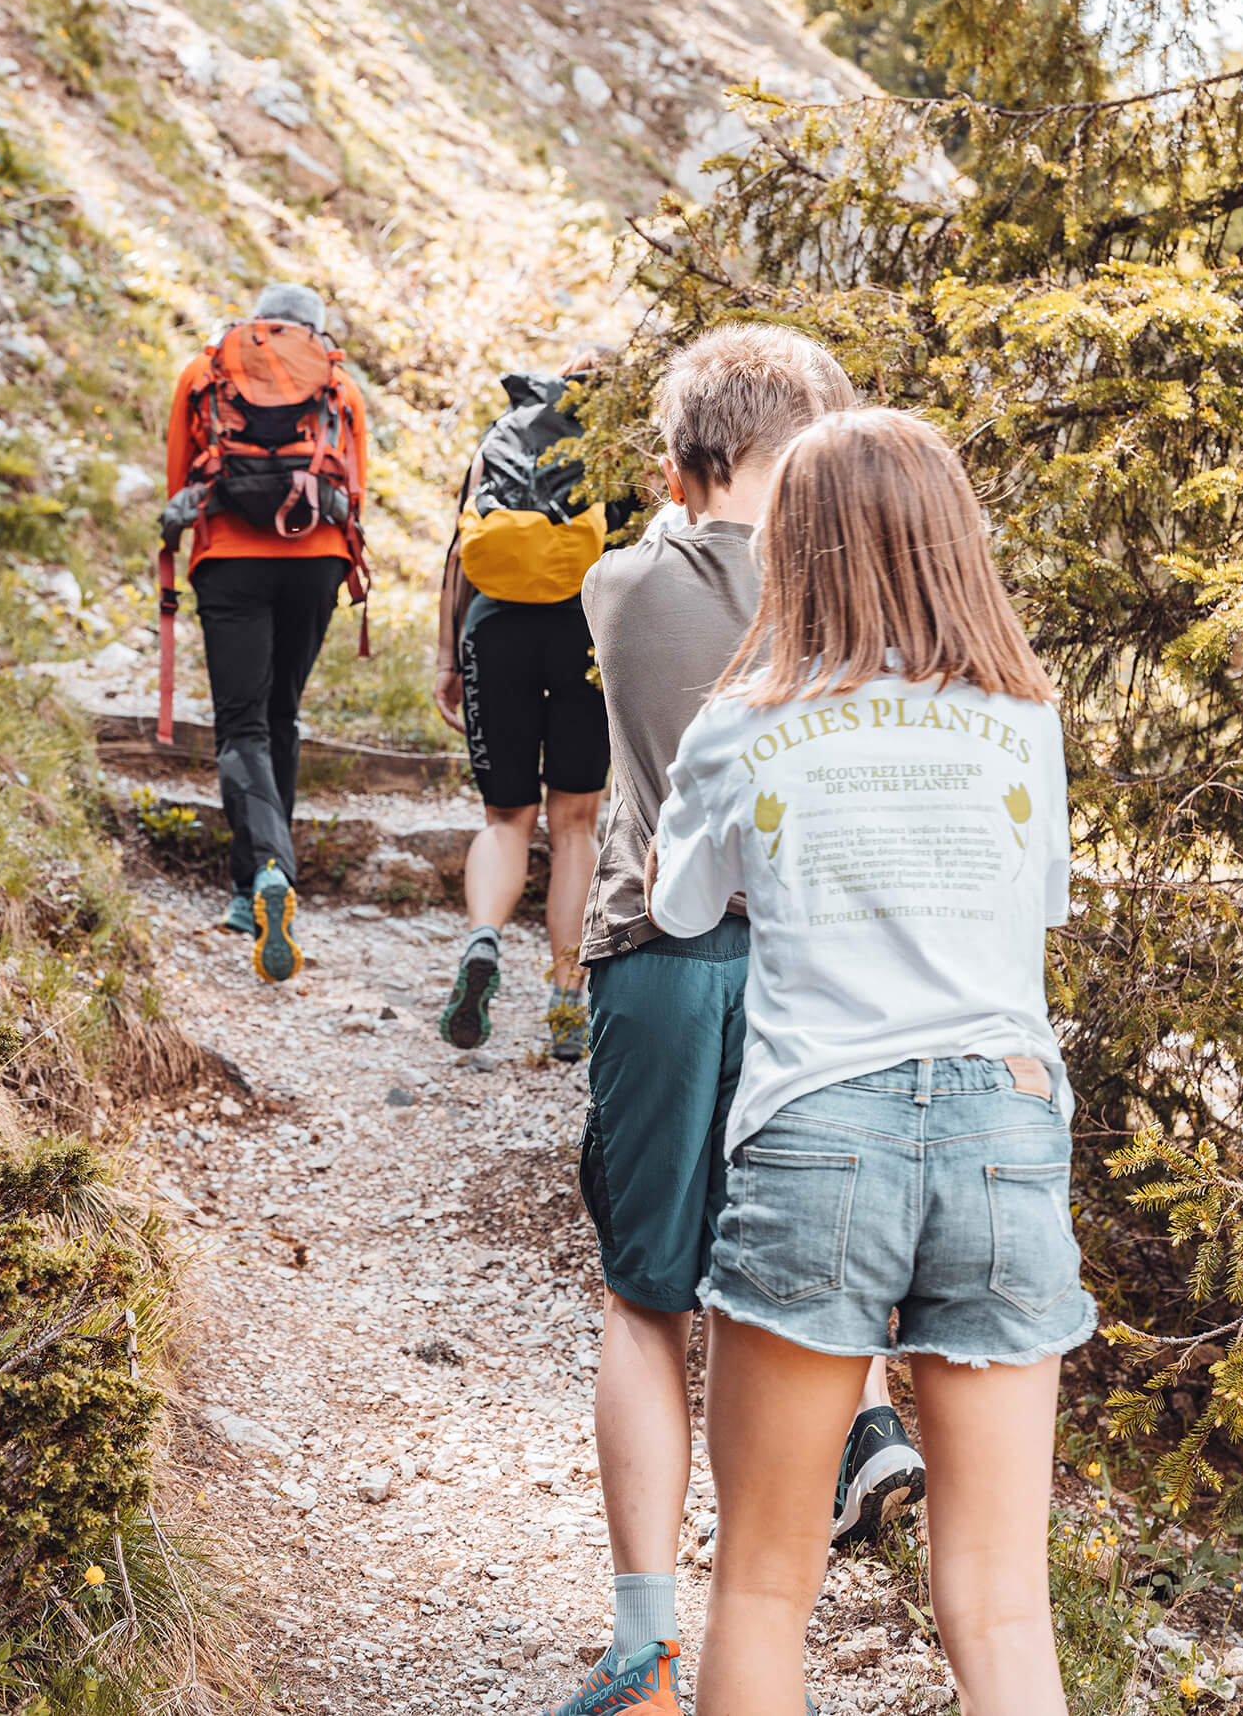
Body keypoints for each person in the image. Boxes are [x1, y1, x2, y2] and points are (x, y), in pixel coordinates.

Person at [648, 407, 1093, 1716]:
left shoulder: (748, 720)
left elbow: (679, 909)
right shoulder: (1023, 723)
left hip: (817, 1128)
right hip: (1007, 1133)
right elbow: (1040, 903)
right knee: (1006, 1602)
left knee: (766, 1583)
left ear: (797, 550)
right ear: (956, 542)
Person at [545, 329, 924, 1716]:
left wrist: (688, 489)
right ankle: (855, 1437)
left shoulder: (626, 581)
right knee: (795, 1287)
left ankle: (645, 1650)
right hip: (822, 976)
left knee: (646, 1299)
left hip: (660, 960)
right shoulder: (873, 603)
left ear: (687, 465)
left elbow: (665, 541)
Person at [164, 283, 367, 983]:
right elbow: (355, 491)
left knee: (241, 725)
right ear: (315, 331)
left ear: (256, 323)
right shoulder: (338, 382)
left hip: (230, 560)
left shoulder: (204, 371)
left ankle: (258, 879)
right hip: (314, 559)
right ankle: (253, 881)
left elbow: (178, 484)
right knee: (281, 715)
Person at [434, 355, 611, 1058]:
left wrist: (448, 657)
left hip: (493, 628)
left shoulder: (502, 434)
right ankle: (567, 1000)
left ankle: (484, 937)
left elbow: (457, 551)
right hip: (585, 636)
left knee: (506, 818)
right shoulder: (614, 445)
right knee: (575, 823)